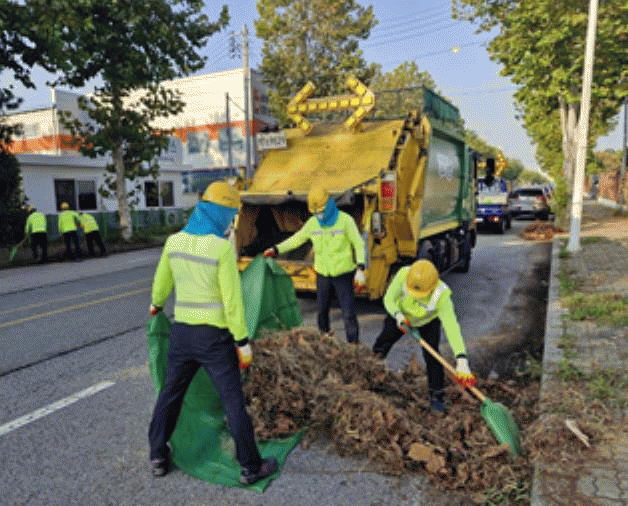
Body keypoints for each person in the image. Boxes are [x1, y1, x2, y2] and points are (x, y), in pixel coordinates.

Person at [148, 181, 277, 485]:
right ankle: (250, 466)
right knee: (233, 401)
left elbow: (161, 284)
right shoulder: (220, 249)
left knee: (170, 394)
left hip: (182, 334)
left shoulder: (174, 242)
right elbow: (233, 302)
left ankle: (157, 455)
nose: (231, 223)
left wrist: (156, 305)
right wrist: (242, 342)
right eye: (231, 215)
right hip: (214, 339)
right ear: (220, 213)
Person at [264, 186, 366, 344]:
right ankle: (324, 340)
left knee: (348, 313)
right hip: (323, 274)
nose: (319, 215)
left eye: (321, 211)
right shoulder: (313, 224)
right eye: (315, 212)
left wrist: (360, 268)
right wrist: (276, 249)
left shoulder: (345, 221)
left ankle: (354, 345)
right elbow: (297, 239)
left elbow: (358, 243)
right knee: (322, 311)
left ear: (329, 205)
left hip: (343, 274)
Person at [372, 259, 476, 413]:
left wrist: (461, 359)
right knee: (381, 344)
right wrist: (398, 315)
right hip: (401, 316)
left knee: (432, 356)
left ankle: (437, 396)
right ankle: (370, 377)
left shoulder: (442, 295)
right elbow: (389, 298)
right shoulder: (403, 274)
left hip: (427, 322)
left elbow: (452, 327)